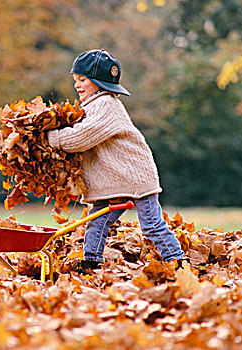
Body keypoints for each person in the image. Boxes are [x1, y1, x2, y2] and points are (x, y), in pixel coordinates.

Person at [47, 49, 185, 273]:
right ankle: (91, 262)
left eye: (83, 80)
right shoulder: (92, 106)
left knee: (151, 225)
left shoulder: (106, 105)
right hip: (115, 179)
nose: (77, 85)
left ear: (100, 84)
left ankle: (178, 261)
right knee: (98, 221)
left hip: (137, 176)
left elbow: (81, 137)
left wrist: (50, 138)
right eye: (75, 80)